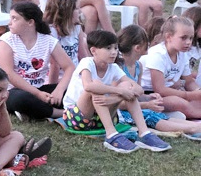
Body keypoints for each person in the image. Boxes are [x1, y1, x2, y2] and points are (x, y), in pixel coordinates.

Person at [62, 29, 173, 157]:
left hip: (101, 119)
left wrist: (117, 97)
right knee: (96, 85)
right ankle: (111, 134)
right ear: (93, 51)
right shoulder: (87, 62)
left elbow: (138, 89)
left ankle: (144, 133)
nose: (114, 52)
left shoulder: (113, 67)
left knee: (127, 85)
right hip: (77, 117)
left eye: (115, 48)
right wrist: (119, 92)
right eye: (108, 48)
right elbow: (88, 86)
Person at [116, 24, 201, 139]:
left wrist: (148, 98)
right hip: (121, 113)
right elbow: (118, 103)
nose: (149, 46)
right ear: (137, 48)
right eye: (147, 44)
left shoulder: (138, 66)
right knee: (153, 116)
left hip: (137, 107)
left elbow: (138, 96)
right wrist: (147, 104)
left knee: (164, 116)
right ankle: (193, 129)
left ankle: (195, 126)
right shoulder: (118, 68)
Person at [0, 1, 75, 120]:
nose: (9, 23)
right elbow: (9, 74)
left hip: (40, 87)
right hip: (13, 90)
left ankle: (33, 111)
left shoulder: (48, 40)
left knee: (75, 91)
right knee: (20, 99)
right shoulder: (6, 41)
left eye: (14, 18)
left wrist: (59, 90)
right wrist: (37, 94)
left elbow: (70, 67)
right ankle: (58, 113)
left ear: (30, 22)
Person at [141, 15, 201, 120]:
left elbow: (189, 82)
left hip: (169, 93)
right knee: (179, 102)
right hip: (149, 96)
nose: (188, 42)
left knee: (193, 101)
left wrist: (198, 91)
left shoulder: (182, 54)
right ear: (169, 37)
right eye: (183, 38)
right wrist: (190, 95)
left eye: (191, 38)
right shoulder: (158, 54)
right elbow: (160, 89)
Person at [43, 0, 87, 83]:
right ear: (66, 12)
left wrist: (88, 74)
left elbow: (82, 55)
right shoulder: (51, 32)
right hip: (54, 78)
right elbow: (54, 65)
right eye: (77, 8)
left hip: (74, 75)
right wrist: (53, 88)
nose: (80, 11)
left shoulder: (76, 27)